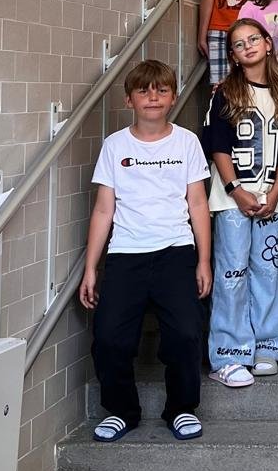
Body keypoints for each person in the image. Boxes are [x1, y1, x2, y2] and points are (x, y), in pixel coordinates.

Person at [79, 61, 212, 441]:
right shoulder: (115, 145)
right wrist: (91, 267)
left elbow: (198, 204)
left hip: (176, 251)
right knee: (109, 337)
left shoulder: (186, 142)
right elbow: (103, 209)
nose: (153, 97)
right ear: (129, 100)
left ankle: (181, 409)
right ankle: (121, 411)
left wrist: (204, 260)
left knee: (185, 334)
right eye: (143, 91)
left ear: (173, 97)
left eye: (161, 90)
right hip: (125, 254)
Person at [202, 19, 278, 386]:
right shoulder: (225, 93)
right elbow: (218, 147)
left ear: (267, 43)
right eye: (238, 43)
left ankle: (267, 345)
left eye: (253, 39)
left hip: (270, 199)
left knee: (267, 271)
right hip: (232, 199)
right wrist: (235, 189)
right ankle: (229, 353)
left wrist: (275, 194)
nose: (247, 46)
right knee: (232, 273)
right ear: (232, 55)